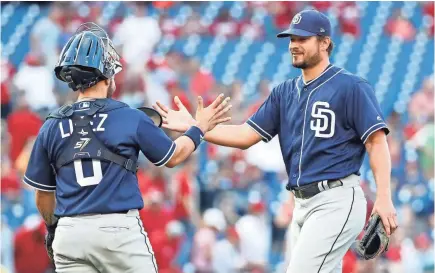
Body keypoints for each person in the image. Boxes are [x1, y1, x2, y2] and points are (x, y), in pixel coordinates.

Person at [153, 9, 398, 273]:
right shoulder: (284, 93)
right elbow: (245, 136)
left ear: (325, 42)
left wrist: (384, 197)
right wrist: (196, 127)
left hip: (336, 199)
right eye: (292, 39)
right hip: (301, 203)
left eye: (303, 39)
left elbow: (376, 142)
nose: (294, 45)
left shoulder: (351, 87)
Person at [23, 22, 231, 273]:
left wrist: (54, 228)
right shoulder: (129, 116)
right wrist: (199, 128)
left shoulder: (51, 125)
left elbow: (42, 195)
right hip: (117, 233)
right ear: (109, 75)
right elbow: (175, 156)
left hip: (69, 234)